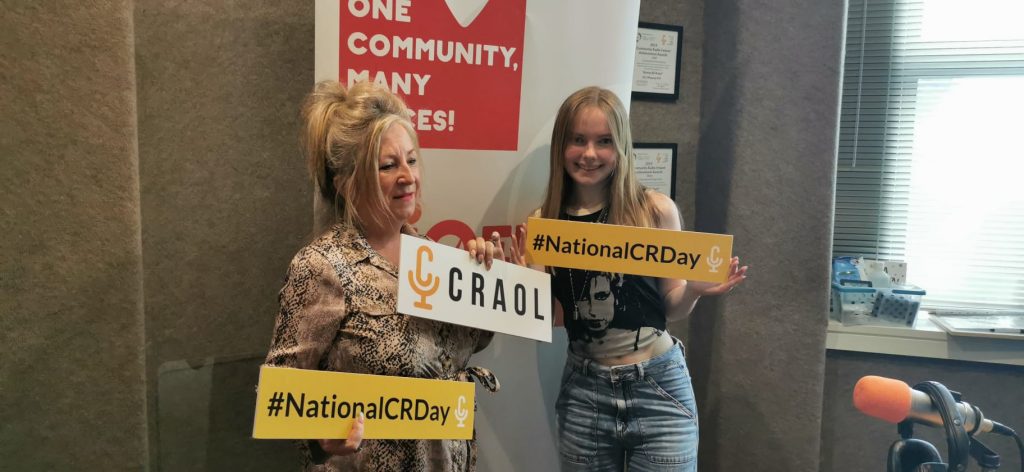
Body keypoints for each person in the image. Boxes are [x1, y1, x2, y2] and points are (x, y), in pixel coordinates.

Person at [480, 86, 748, 471]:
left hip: (658, 387)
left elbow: (672, 308)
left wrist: (693, 289)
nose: (590, 154)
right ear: (562, 147)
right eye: (578, 140)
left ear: (620, 146)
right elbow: (549, 318)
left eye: (604, 141)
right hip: (584, 392)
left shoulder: (654, 211)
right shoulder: (545, 223)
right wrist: (526, 282)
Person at [264, 80, 503, 472]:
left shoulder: (434, 255)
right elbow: (282, 391)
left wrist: (489, 283)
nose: (407, 176)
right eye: (388, 166)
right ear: (346, 183)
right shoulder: (323, 267)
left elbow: (463, 347)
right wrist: (320, 435)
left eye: (411, 160)